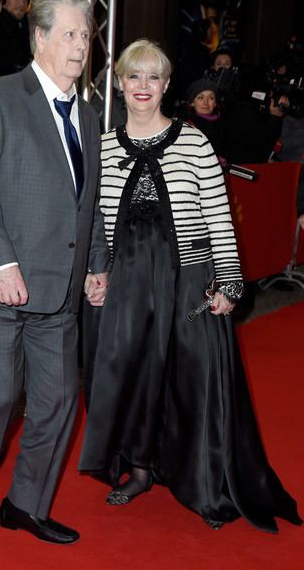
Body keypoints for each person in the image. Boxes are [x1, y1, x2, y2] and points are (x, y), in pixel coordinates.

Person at [79, 39, 302, 534]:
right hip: (130, 285)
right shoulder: (105, 145)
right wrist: (99, 273)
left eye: (152, 77)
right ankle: (139, 470)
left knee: (194, 380)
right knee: (135, 379)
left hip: (189, 280)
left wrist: (229, 282)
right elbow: (96, 219)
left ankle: (204, 481)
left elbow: (220, 219)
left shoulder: (194, 141)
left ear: (165, 85)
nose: (142, 86)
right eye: (133, 77)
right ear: (119, 83)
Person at [0, 0, 110, 544]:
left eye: (86, 35)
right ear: (38, 38)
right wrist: (2, 263)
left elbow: (87, 201)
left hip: (58, 284)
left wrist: (95, 263)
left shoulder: (87, 117)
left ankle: (26, 502)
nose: (80, 45)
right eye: (69, 33)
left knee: (58, 400)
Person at [183, 78, 225, 155]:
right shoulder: (187, 126)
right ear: (192, 103)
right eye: (200, 98)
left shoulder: (224, 122)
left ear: (215, 103)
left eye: (211, 98)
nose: (206, 103)